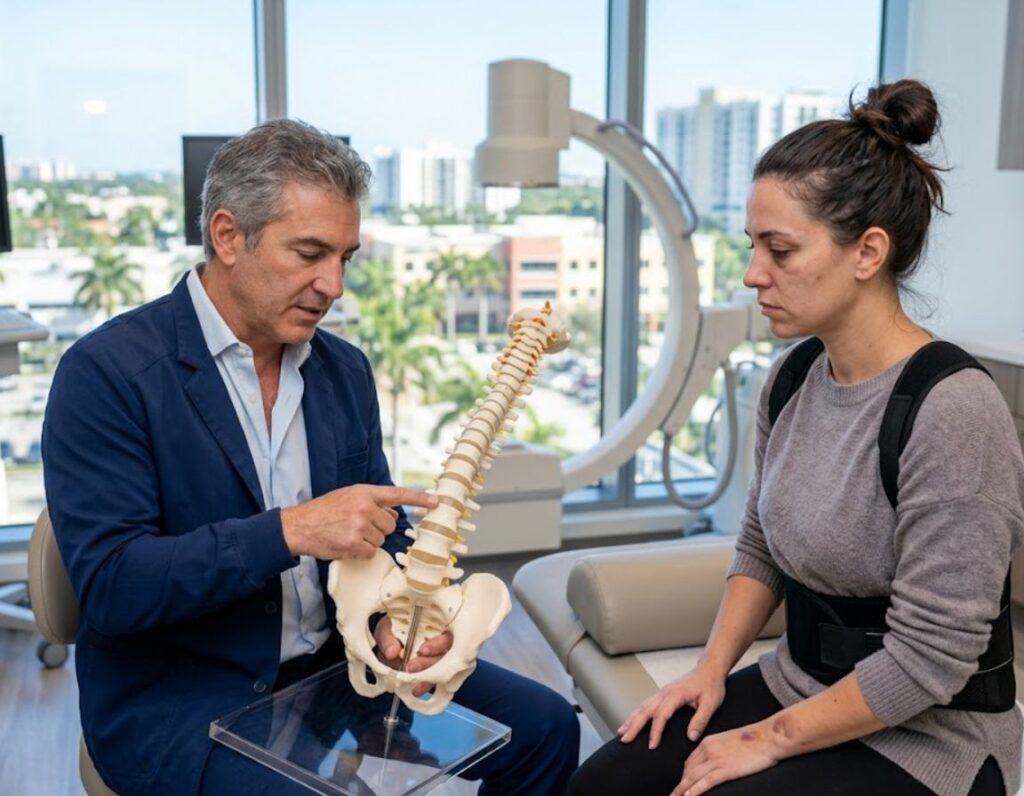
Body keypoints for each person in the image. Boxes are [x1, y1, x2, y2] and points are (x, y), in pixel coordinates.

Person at [42, 118, 579, 796]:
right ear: (228, 236)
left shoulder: (342, 370)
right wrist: (291, 531)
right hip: (181, 697)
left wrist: (390, 621)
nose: (334, 285)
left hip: (334, 664)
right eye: (310, 253)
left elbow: (380, 526)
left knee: (549, 727)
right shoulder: (107, 374)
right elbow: (114, 586)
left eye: (346, 257)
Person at [569, 80, 1024, 796]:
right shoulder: (794, 377)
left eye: (780, 250)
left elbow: (931, 660)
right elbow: (759, 544)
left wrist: (762, 742)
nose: (754, 275)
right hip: (802, 682)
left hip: (931, 735)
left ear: (868, 251)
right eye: (754, 247)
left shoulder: (953, 410)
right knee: (604, 786)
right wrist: (709, 672)